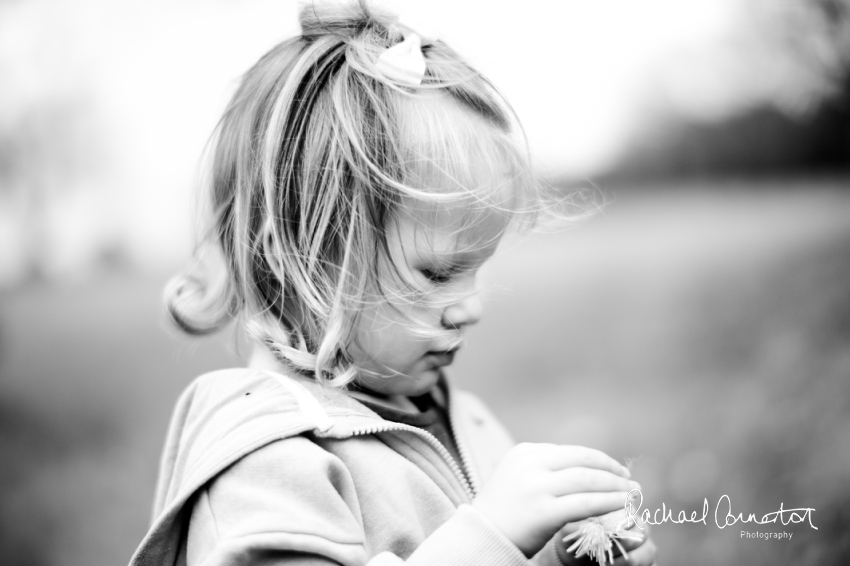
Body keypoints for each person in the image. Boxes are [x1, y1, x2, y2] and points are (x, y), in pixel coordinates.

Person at [130, 2, 657, 565]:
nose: (471, 307)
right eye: (436, 272)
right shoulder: (268, 466)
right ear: (302, 260)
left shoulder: (462, 418)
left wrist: (556, 561)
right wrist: (492, 537)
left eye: (477, 269)